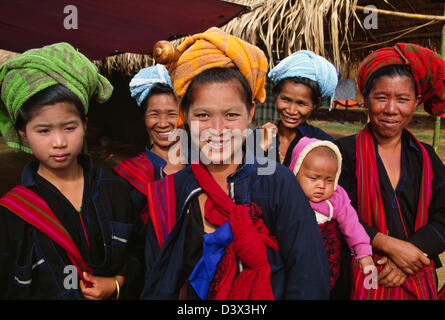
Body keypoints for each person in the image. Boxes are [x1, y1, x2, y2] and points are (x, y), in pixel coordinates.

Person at [140, 27, 330, 300]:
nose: (217, 129)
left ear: (250, 112)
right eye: (203, 115)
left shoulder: (277, 183)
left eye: (231, 114)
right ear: (184, 114)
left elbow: (309, 279)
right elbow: (158, 282)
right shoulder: (168, 194)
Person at [0, 42, 141, 299]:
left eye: (69, 127)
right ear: (23, 134)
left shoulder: (117, 190)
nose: (59, 142)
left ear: (85, 124)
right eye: (43, 130)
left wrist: (117, 283)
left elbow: (141, 255)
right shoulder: (11, 213)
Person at [335, 43, 445, 300]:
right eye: (381, 97)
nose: (391, 109)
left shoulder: (426, 158)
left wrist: (411, 252)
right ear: (365, 99)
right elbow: (331, 213)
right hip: (355, 278)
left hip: (415, 274)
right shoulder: (341, 154)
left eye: (403, 99)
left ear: (417, 102)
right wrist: (386, 244)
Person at [289, 136, 374, 290]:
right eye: (314, 178)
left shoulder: (337, 198)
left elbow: (352, 225)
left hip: (325, 262)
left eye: (329, 180)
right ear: (295, 172)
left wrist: (364, 253)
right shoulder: (288, 196)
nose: (321, 185)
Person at [113, 64, 185, 224]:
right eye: (154, 114)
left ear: (183, 116)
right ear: (144, 118)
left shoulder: (199, 167)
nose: (163, 123)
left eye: (172, 114)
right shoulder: (130, 174)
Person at [260, 50, 338, 167]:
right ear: (276, 96)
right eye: (285, 99)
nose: (291, 111)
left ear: (314, 105)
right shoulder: (260, 135)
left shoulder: (322, 142)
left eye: (301, 103)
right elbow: (245, 180)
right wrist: (259, 148)